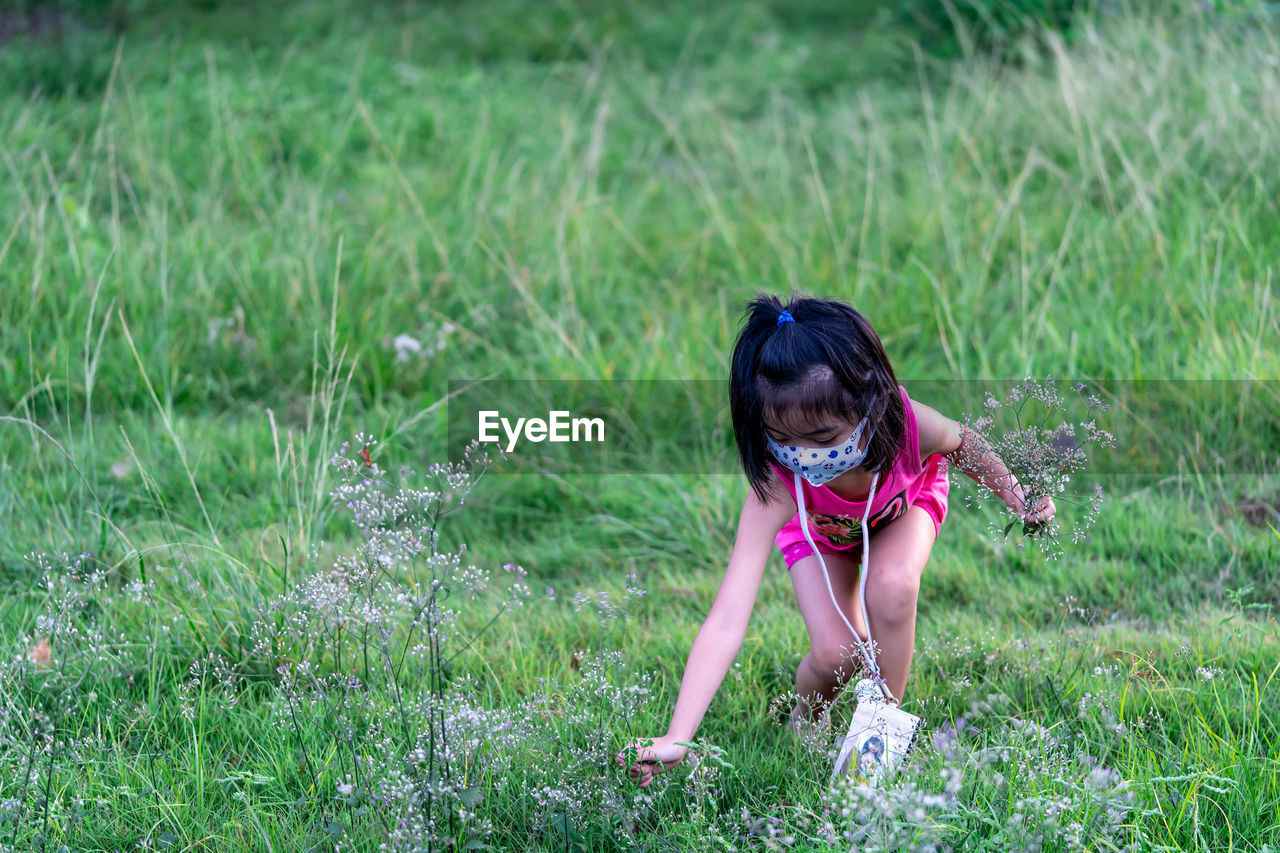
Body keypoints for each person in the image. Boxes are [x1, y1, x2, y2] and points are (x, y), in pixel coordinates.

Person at [615, 293, 1055, 789]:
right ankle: (807, 715)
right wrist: (679, 733)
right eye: (784, 438)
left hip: (902, 507)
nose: (805, 454)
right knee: (837, 653)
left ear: (870, 401)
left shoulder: (910, 424)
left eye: (823, 438)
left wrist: (1017, 494)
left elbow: (963, 443)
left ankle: (881, 735)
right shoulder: (781, 484)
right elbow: (726, 617)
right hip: (819, 532)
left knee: (891, 586)